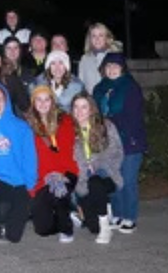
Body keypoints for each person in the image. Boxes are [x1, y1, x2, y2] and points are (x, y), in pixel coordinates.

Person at [92, 52, 146, 234]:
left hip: (129, 140)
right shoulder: (99, 89)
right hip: (107, 143)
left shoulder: (130, 88)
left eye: (115, 66)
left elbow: (133, 117)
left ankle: (129, 217)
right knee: (113, 179)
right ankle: (117, 213)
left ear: (122, 68)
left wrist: (111, 123)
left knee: (128, 180)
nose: (112, 69)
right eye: (108, 66)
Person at [0, 84, 37, 244]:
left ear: (7, 101)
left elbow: (29, 158)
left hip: (19, 182)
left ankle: (7, 216)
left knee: (14, 237)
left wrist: (30, 185)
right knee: (2, 208)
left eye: (0, 100)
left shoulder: (21, 127)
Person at [27, 85, 79, 243]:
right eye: (39, 100)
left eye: (47, 99)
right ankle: (61, 217)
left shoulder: (65, 121)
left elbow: (67, 150)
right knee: (42, 229)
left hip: (66, 172)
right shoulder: (28, 126)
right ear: (33, 103)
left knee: (59, 190)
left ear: (53, 101)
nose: (43, 103)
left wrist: (59, 175)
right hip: (42, 177)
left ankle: (66, 227)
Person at [71, 93, 124, 244]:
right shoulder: (70, 130)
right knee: (93, 228)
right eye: (76, 107)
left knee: (95, 182)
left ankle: (106, 227)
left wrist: (97, 164)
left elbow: (117, 151)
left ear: (91, 109)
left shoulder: (105, 126)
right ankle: (104, 209)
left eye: (83, 107)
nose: (79, 111)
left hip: (106, 175)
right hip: (83, 180)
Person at [79, 23, 122, 93]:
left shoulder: (114, 56)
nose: (97, 39)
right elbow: (81, 83)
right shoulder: (84, 59)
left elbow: (122, 82)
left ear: (106, 38)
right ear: (89, 39)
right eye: (94, 36)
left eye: (101, 35)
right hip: (90, 100)